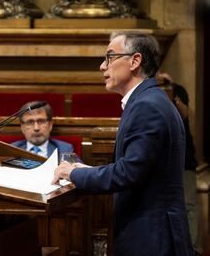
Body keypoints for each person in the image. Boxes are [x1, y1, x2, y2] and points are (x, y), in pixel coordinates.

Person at [52, 32, 193, 255]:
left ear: (135, 61)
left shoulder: (146, 106)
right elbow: (138, 168)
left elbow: (128, 173)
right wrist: (88, 170)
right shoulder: (148, 100)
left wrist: (73, 174)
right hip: (151, 233)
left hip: (151, 238)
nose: (102, 66)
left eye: (110, 57)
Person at [157, 71, 202, 255]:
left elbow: (184, 114)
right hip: (162, 159)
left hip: (184, 159)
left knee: (189, 205)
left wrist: (172, 89)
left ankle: (194, 250)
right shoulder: (150, 94)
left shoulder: (178, 91)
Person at [11, 101, 81, 161]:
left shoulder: (64, 149)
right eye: (30, 122)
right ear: (22, 128)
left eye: (41, 121)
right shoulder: (12, 149)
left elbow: (77, 172)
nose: (36, 128)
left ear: (50, 125)